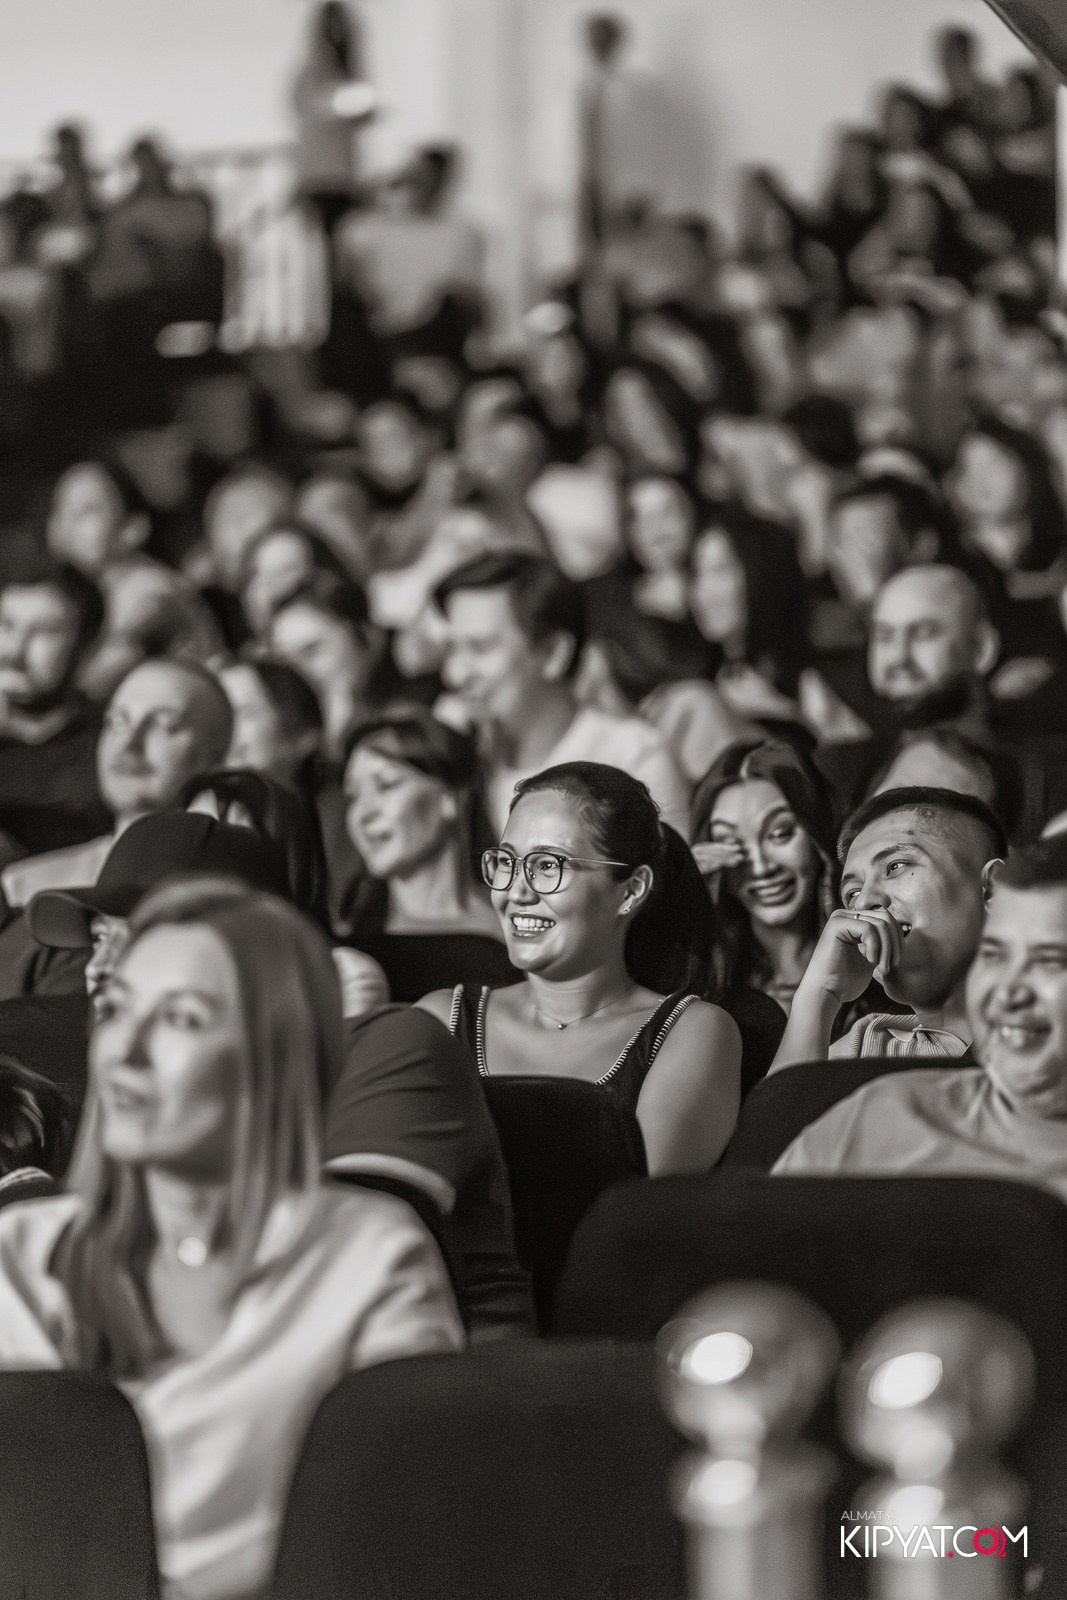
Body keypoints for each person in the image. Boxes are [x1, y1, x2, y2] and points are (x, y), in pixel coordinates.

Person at [0, 877, 463, 1600]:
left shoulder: (371, 1256)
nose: (126, 1051)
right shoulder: (17, 1255)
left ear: (270, 1052)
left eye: (180, 1019)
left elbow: (409, 1541)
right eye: (116, 1009)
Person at [419, 762, 741, 1173]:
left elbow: (643, 1201)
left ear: (631, 890)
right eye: (507, 862)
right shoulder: (440, 1020)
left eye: (548, 865)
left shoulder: (692, 1030)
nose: (517, 891)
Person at [773, 832, 1067, 1199]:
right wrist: (817, 997)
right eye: (994, 955)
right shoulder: (880, 1111)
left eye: (1051, 961)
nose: (1008, 992)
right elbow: (763, 1196)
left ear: (986, 890)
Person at [435, 552, 690, 836]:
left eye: (480, 648)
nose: (455, 674)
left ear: (553, 653)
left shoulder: (631, 757)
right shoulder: (462, 765)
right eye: (450, 650)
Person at [771, 786, 1005, 1070]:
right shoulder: (861, 1051)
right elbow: (784, 1098)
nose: (864, 902)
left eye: (895, 867)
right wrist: (818, 995)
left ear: (993, 889)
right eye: (852, 893)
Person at [0, 658, 234, 912]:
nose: (129, 743)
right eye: (118, 721)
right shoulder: (22, 888)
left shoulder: (232, 898)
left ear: (216, 759)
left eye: (164, 726)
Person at [340, 708, 514, 1000]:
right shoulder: (348, 948)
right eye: (353, 796)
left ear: (450, 797)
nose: (363, 813)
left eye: (387, 785)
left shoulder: (517, 923)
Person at [691, 740, 838, 1016]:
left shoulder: (870, 969)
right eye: (731, 845)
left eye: (780, 833)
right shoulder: (704, 990)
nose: (760, 867)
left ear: (817, 830)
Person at [0, 552, 110, 857]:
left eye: (44, 632)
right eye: (6, 624)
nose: (14, 650)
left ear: (86, 645)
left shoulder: (109, 742)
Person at [268, 573, 381, 757]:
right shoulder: (295, 749)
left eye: (311, 650)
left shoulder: (414, 705)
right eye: (285, 662)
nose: (298, 671)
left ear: (361, 633)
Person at [292, 0, 374, 239]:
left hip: (345, 179)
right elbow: (313, 109)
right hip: (320, 179)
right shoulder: (312, 72)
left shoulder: (348, 72)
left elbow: (361, 113)